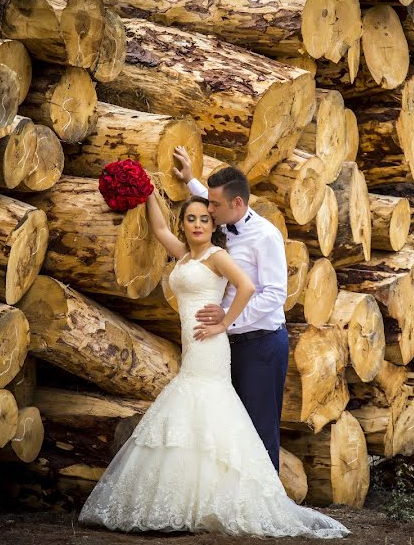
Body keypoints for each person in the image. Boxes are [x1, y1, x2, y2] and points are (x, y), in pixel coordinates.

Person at [78, 194, 348, 538]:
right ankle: (189, 497)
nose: (197, 224)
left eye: (205, 219)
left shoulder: (217, 256)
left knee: (205, 403)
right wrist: (146, 193)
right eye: (191, 219)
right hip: (192, 345)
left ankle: (214, 499)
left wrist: (225, 323)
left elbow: (247, 286)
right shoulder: (185, 255)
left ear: (213, 224)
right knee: (189, 411)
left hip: (210, 344)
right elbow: (160, 228)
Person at [173, 146, 290, 472]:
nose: (208, 210)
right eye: (207, 202)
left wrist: (228, 321)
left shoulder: (266, 236)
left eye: (214, 205)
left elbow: (274, 295)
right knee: (228, 428)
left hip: (261, 344)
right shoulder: (221, 220)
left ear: (237, 204)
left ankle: (268, 512)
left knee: (259, 428)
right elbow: (207, 198)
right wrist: (190, 181)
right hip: (224, 346)